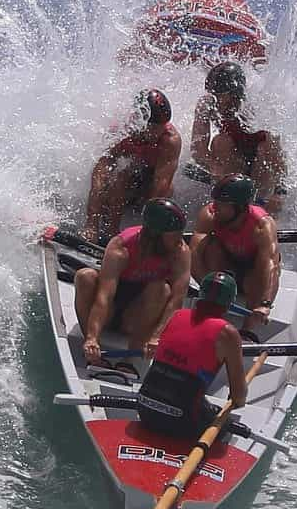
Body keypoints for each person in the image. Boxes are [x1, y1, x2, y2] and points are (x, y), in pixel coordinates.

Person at [74, 199, 192, 367]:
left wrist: (157, 337)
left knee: (161, 288)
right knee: (84, 276)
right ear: (155, 234)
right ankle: (92, 348)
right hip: (108, 312)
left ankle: (130, 359)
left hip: (136, 319)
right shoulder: (121, 248)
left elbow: (177, 300)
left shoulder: (180, 252)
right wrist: (92, 337)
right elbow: (104, 298)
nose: (180, 240)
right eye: (174, 235)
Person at [134, 271, 250, 440]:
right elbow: (238, 397)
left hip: (144, 409)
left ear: (200, 294)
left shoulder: (176, 315)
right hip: (184, 422)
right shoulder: (228, 333)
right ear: (230, 303)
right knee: (223, 423)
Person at [83, 88, 180, 244]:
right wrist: (91, 222)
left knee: (168, 190)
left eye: (162, 126)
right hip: (122, 188)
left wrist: (146, 229)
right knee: (121, 177)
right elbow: (100, 176)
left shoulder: (170, 140)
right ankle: (110, 230)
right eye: (154, 127)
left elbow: (161, 183)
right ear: (139, 120)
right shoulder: (121, 132)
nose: (159, 131)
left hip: (146, 189)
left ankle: (137, 233)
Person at [190, 62, 287, 215]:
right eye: (213, 94)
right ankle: (228, 199)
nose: (217, 101)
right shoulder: (207, 104)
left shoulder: (254, 109)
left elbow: (278, 156)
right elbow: (198, 151)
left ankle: (260, 204)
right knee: (221, 141)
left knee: (265, 146)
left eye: (220, 96)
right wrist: (213, 167)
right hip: (233, 160)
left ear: (236, 94)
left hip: (259, 162)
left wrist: (279, 193)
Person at [192, 175, 281, 337]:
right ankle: (212, 310)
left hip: (251, 273)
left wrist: (265, 304)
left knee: (259, 273)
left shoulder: (262, 226)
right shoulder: (209, 215)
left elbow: (271, 265)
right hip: (225, 267)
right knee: (211, 248)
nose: (215, 207)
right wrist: (206, 284)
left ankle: (248, 330)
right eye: (215, 201)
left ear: (240, 208)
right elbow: (194, 254)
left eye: (221, 204)